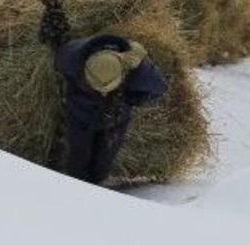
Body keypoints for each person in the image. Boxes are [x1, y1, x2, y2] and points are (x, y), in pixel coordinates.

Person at [55, 34, 168, 184]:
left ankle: (98, 190)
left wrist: (131, 99)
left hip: (114, 118)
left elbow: (159, 88)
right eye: (96, 86)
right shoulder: (71, 58)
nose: (103, 93)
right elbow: (58, 66)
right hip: (80, 113)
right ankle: (75, 192)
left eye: (108, 88)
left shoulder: (138, 69)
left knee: (102, 165)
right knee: (77, 162)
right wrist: (71, 92)